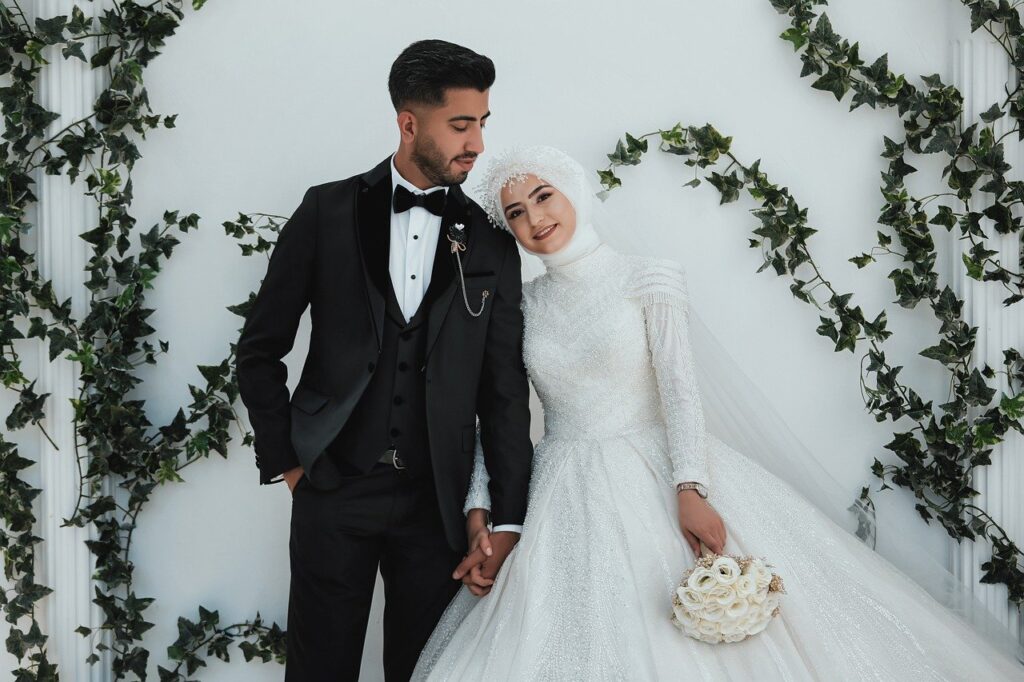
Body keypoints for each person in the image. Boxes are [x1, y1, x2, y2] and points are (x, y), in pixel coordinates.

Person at [410, 145, 1024, 681]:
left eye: (543, 196)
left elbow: (680, 393)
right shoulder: (522, 304)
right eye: (515, 212)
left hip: (659, 466)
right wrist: (481, 504)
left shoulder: (647, 279)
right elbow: (502, 414)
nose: (535, 218)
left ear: (574, 191)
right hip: (560, 484)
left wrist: (691, 487)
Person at [234, 40, 533, 682]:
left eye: (482, 123)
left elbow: (503, 392)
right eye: (461, 124)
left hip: (439, 500)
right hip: (333, 484)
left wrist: (505, 515)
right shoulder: (327, 210)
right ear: (408, 123)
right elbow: (260, 348)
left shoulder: (488, 242)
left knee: (425, 670)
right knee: (319, 668)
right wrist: (287, 460)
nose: (476, 143)